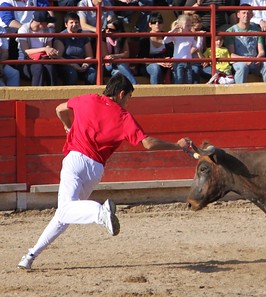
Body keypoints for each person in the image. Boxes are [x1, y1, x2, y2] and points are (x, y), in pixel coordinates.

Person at [17, 73, 192, 270]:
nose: (128, 103)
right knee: (63, 214)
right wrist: (177, 145)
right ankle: (30, 255)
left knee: (67, 209)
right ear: (121, 94)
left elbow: (59, 109)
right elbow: (149, 144)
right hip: (95, 169)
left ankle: (100, 213)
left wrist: (68, 126)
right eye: (129, 98)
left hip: (75, 160)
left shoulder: (88, 99)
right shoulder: (123, 116)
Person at [225, 4, 266, 83]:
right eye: (243, 13)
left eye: (248, 13)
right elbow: (231, 55)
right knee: (242, 67)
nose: (246, 15)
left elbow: (261, 51)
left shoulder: (257, 30)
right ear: (238, 15)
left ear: (252, 15)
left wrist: (259, 58)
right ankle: (239, 93)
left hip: (254, 61)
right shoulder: (231, 31)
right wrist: (245, 60)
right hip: (239, 62)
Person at [53, 12, 97, 85]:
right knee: (72, 74)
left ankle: (89, 95)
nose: (74, 24)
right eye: (71, 22)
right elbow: (58, 57)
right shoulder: (61, 36)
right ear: (66, 24)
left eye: (76, 22)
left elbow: (89, 56)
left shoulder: (84, 36)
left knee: (92, 74)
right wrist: (73, 64)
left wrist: (85, 64)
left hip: (81, 65)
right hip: (66, 65)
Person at [16, 11, 58, 86]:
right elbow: (26, 51)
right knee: (38, 68)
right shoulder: (23, 29)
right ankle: (36, 95)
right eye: (47, 22)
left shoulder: (48, 30)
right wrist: (44, 49)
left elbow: (49, 47)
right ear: (40, 23)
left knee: (50, 67)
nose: (49, 24)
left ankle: (53, 94)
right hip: (25, 62)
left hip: (43, 59)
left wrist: (51, 52)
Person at [163, 14, 203, 84]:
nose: (189, 27)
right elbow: (165, 40)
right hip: (178, 61)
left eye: (190, 25)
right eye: (187, 26)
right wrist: (173, 30)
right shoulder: (176, 35)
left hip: (188, 62)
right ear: (180, 25)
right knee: (179, 79)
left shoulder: (190, 36)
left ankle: (187, 94)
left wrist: (200, 37)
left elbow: (197, 46)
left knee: (189, 80)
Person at [137, 12, 174, 84]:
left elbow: (172, 54)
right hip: (148, 65)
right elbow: (142, 58)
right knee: (155, 68)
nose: (157, 24)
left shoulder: (167, 37)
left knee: (178, 67)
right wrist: (158, 62)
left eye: (159, 22)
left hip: (166, 65)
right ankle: (155, 92)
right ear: (150, 25)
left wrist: (171, 60)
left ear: (163, 24)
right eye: (154, 22)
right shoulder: (144, 39)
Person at [102, 17, 138, 84]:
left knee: (117, 72)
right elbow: (105, 56)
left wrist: (114, 56)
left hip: (119, 64)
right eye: (106, 28)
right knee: (120, 64)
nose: (107, 31)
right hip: (107, 65)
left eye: (111, 29)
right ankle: (135, 84)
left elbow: (126, 54)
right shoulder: (103, 39)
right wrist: (117, 57)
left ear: (118, 30)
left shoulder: (122, 38)